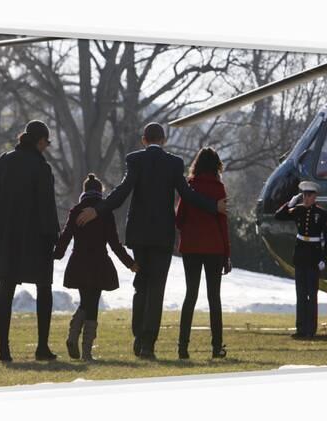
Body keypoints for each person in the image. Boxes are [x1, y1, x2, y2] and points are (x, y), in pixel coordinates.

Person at [77, 122, 227, 360]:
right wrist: (213, 206)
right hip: (162, 236)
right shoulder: (174, 163)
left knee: (141, 286)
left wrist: (98, 209)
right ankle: (148, 343)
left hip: (139, 234)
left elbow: (123, 191)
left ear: (144, 140)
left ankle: (138, 336)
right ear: (164, 140)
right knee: (157, 289)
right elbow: (187, 195)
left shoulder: (135, 160)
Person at [0, 120, 60, 362]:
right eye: (46, 143)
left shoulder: (6, 159)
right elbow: (47, 206)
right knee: (43, 288)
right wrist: (53, 236)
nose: (46, 147)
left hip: (6, 234)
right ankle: (42, 347)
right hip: (35, 237)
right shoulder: (42, 168)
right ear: (40, 141)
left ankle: (4, 350)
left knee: (5, 289)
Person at [53, 174, 139, 361]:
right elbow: (115, 244)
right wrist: (130, 264)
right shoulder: (105, 213)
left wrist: (55, 254)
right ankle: (86, 351)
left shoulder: (76, 210)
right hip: (99, 263)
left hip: (79, 263)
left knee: (86, 301)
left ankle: (73, 335)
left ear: (84, 191)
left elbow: (66, 237)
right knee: (92, 304)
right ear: (101, 192)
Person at [175, 147, 231, 359]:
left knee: (190, 295)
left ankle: (183, 347)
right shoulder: (219, 189)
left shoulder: (190, 187)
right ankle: (217, 347)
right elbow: (223, 223)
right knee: (214, 298)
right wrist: (227, 253)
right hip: (215, 248)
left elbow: (179, 220)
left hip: (191, 247)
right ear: (216, 165)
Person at [275, 181, 327, 339]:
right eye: (304, 195)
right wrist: (290, 204)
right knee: (300, 294)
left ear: (315, 197)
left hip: (314, 257)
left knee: (311, 294)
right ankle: (301, 329)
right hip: (300, 256)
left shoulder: (321, 214)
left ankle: (310, 330)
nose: (306, 198)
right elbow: (278, 216)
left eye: (309, 195)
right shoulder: (298, 210)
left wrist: (324, 259)